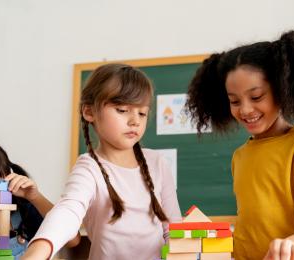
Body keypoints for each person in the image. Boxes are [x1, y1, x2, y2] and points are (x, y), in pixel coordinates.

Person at [186, 30, 294, 260]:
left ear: (282, 90)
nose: (245, 110)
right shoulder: (239, 155)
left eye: (257, 96)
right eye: (234, 101)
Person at [22, 64, 181, 259]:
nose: (135, 121)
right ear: (89, 112)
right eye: (122, 110)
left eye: (142, 113)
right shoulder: (89, 167)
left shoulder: (157, 163)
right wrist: (36, 252)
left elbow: (173, 229)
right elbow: (68, 211)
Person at [0, 140, 80, 259]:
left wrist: (35, 197)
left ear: (8, 178)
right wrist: (3, 209)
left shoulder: (23, 211)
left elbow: (72, 240)